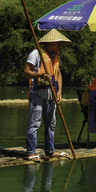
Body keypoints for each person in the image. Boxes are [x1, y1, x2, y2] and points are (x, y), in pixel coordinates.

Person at [23, 29, 70, 161]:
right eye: (55, 44)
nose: (57, 46)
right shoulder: (36, 54)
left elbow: (58, 73)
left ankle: (50, 150)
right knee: (34, 123)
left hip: (52, 94)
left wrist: (60, 90)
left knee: (51, 123)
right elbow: (26, 72)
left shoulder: (55, 56)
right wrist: (39, 75)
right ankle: (31, 152)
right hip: (38, 93)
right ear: (49, 43)